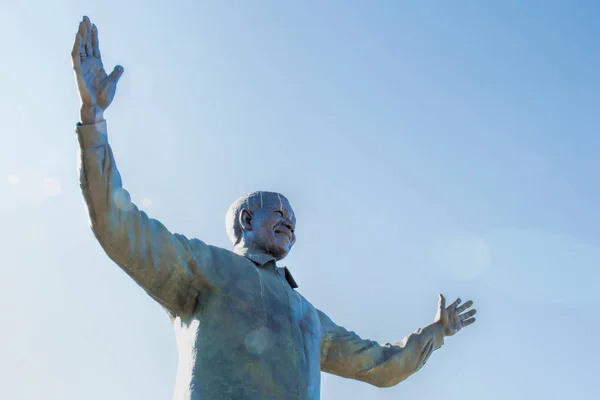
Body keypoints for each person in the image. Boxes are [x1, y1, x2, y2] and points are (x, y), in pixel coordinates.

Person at [72, 16, 477, 400]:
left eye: (294, 222)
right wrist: (93, 121)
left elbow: (379, 364)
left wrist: (437, 332)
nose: (290, 224)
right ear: (247, 220)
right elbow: (117, 225)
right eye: (279, 214)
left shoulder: (307, 315)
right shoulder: (206, 268)